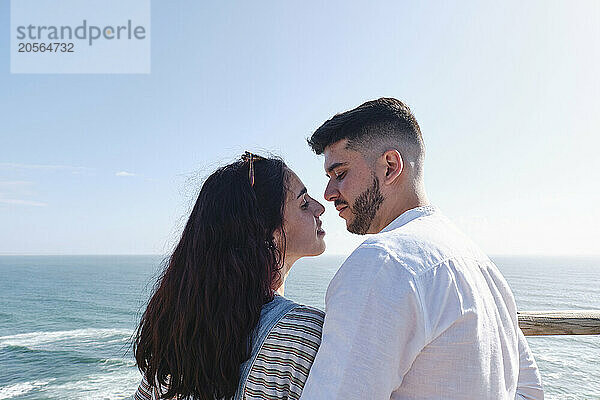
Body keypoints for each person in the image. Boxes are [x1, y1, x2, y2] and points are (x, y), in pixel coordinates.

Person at [300, 98, 544, 400]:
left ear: (390, 166)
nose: (328, 193)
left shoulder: (383, 262)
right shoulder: (481, 264)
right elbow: (530, 391)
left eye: (340, 173)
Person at [133, 153, 327, 400]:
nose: (319, 208)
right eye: (303, 203)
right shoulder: (303, 334)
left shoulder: (180, 329)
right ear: (268, 233)